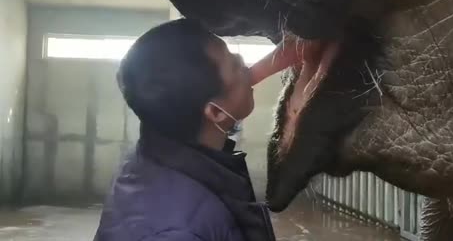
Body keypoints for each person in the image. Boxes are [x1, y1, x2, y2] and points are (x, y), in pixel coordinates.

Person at [93, 18, 321, 241]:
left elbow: (229, 88)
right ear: (216, 113)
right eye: (234, 65)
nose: (242, 59)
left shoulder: (151, 154)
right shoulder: (180, 231)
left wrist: (295, 50)